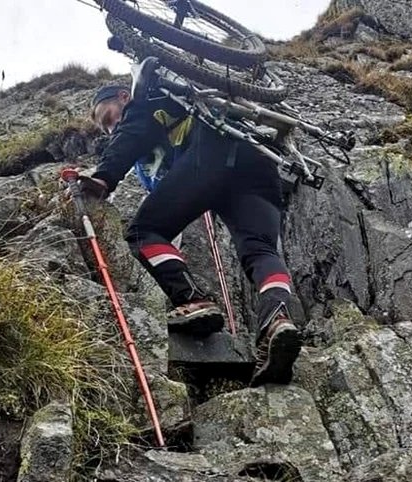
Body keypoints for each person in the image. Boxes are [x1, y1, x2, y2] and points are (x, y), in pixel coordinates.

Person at [69, 83, 301, 387]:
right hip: (260, 161)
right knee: (262, 252)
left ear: (124, 97)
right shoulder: (184, 101)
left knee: (144, 232)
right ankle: (277, 320)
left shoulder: (148, 95)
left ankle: (192, 299)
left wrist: (103, 178)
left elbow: (132, 134)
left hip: (213, 154)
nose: (110, 128)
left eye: (108, 117)